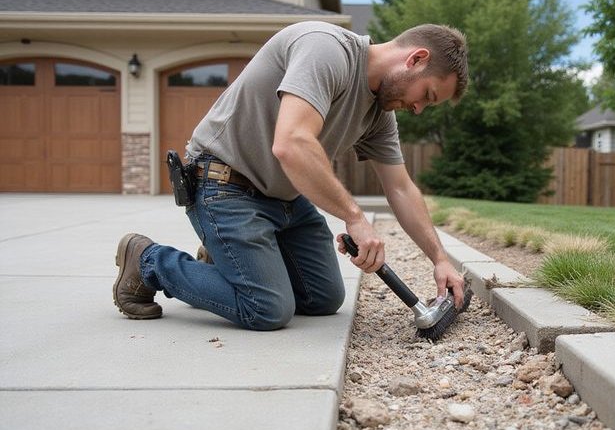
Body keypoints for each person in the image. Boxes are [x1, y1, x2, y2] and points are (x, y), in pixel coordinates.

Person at [113, 21, 468, 330]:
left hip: (284, 199)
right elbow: (291, 144)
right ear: (416, 59)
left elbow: (401, 188)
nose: (419, 109)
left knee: (323, 298)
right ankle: (149, 260)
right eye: (427, 95)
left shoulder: (379, 114)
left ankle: (226, 260)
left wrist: (440, 260)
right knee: (266, 309)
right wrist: (354, 217)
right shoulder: (326, 49)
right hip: (223, 183)